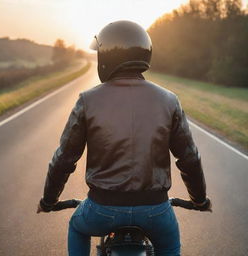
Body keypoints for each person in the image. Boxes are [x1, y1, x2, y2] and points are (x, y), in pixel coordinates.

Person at [37, 20, 211, 256]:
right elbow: (189, 157)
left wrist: (49, 200)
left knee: (77, 227)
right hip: (155, 210)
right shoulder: (169, 100)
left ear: (108, 57)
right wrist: (199, 200)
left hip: (101, 209)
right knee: (170, 247)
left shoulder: (87, 100)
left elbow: (65, 158)